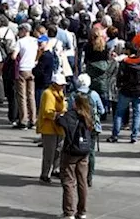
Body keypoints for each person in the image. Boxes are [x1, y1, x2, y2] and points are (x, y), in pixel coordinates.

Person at [57, 91, 93, 219]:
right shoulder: (88, 115)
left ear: (75, 103)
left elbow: (60, 121)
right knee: (82, 181)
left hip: (71, 151)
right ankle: (82, 211)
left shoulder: (70, 115)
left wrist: (59, 115)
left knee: (69, 182)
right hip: (84, 151)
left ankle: (69, 212)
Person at [39, 72, 68, 183]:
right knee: (49, 152)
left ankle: (55, 170)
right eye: (60, 84)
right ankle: (44, 173)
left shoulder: (60, 93)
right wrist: (59, 114)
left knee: (59, 150)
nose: (62, 86)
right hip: (49, 128)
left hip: (59, 127)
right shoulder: (48, 93)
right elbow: (47, 112)